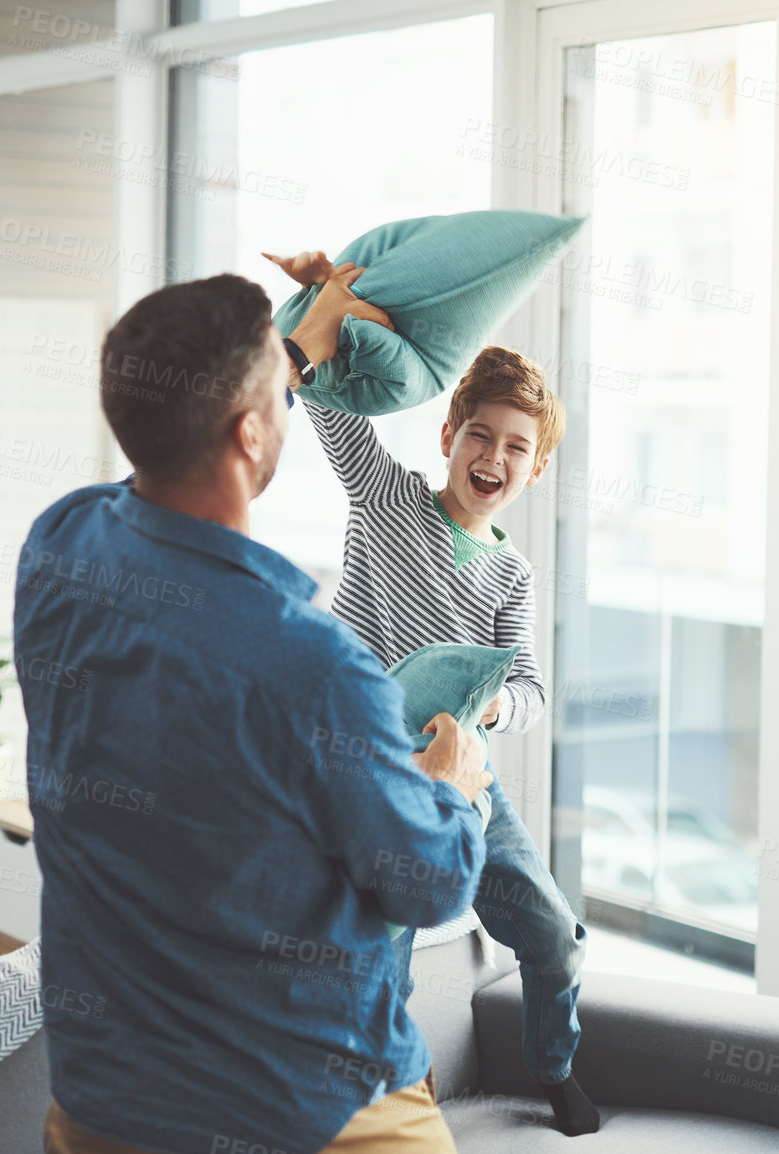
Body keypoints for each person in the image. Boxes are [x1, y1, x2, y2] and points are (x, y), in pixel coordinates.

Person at [13, 268, 494, 1154]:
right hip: (303, 1116)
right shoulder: (313, 667)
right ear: (248, 432)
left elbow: (171, 447)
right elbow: (427, 886)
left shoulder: (56, 551)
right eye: (278, 393)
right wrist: (452, 789)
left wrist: (292, 359)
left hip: (99, 1111)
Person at [264, 250, 600, 1137]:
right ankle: (370, 1113)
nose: (495, 457)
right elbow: (332, 411)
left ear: (535, 471)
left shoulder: (513, 577)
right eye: (481, 435)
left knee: (555, 936)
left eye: (517, 448)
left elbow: (527, 688)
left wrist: (487, 708)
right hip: (374, 781)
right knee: (386, 969)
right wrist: (335, 306)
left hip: (470, 786)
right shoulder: (388, 503)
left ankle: (553, 1067)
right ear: (450, 433)